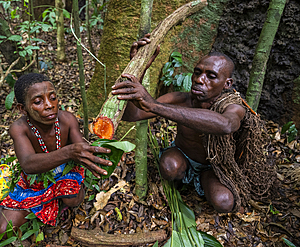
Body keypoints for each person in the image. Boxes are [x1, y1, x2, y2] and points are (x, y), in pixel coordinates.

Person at [112, 37, 276, 213]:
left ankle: (203, 182)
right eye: (197, 73)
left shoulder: (233, 107)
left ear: (227, 84)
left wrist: (154, 105)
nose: (199, 79)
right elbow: (133, 115)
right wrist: (138, 68)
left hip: (214, 167)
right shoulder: (180, 99)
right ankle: (180, 181)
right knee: (169, 167)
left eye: (211, 76)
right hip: (183, 156)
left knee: (224, 202)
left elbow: (226, 125)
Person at [0, 73, 113, 235]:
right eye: (38, 101)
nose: (49, 105)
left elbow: (81, 147)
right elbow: (28, 164)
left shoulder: (67, 120)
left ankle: (60, 203)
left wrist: (95, 152)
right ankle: (44, 204)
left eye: (53, 98)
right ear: (22, 108)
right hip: (35, 178)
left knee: (72, 199)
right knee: (3, 231)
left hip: (66, 171)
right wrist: (69, 151)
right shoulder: (19, 128)